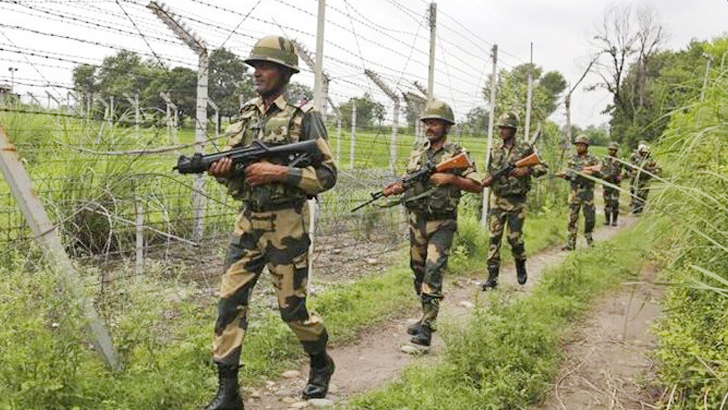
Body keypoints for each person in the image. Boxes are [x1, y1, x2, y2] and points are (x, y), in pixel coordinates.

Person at [203, 36, 337, 410]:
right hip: (248, 222)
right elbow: (237, 175)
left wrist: (279, 172)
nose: (256, 73)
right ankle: (228, 392)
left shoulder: (304, 116)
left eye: (264, 66)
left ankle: (320, 362)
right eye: (254, 67)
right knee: (229, 303)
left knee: (292, 310)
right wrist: (223, 170)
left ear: (283, 72)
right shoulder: (245, 114)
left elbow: (327, 176)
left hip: (286, 224)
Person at [382, 99, 482, 347]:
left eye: (435, 122)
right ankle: (425, 313)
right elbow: (410, 179)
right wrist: (398, 187)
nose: (429, 127)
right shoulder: (418, 152)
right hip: (417, 220)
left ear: (446, 126)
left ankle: (427, 327)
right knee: (417, 269)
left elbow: (478, 185)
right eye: (427, 122)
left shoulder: (457, 154)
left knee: (433, 270)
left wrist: (451, 179)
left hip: (442, 222)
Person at [480, 111, 546, 290]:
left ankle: (520, 263)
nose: (501, 131)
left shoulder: (525, 148)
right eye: (500, 127)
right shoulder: (495, 149)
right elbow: (489, 171)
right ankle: (492, 278)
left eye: (505, 128)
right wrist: (485, 181)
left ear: (513, 129)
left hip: (517, 201)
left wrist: (527, 171)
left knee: (514, 238)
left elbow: (542, 166)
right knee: (494, 237)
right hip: (498, 199)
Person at [557, 135, 602, 251]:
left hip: (588, 192)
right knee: (572, 218)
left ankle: (589, 239)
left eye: (581, 145)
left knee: (590, 217)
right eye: (577, 145)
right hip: (575, 192)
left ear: (586, 146)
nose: (579, 147)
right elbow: (568, 174)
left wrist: (590, 172)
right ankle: (570, 244)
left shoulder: (593, 159)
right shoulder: (572, 158)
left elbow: (601, 171)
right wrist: (564, 175)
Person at [628, 142, 661, 214]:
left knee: (644, 194)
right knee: (635, 192)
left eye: (646, 152)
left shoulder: (649, 158)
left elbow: (657, 167)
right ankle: (635, 207)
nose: (644, 154)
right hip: (636, 178)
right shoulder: (634, 157)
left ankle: (640, 208)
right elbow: (632, 166)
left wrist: (653, 169)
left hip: (645, 179)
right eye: (643, 152)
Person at [601, 141, 623, 226]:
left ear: (616, 151)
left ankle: (614, 221)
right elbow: (601, 170)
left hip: (616, 185)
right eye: (610, 149)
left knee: (615, 202)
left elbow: (630, 170)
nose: (611, 151)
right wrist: (604, 176)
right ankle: (607, 220)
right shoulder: (605, 159)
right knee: (607, 203)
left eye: (613, 150)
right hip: (607, 184)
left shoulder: (620, 161)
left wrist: (622, 176)